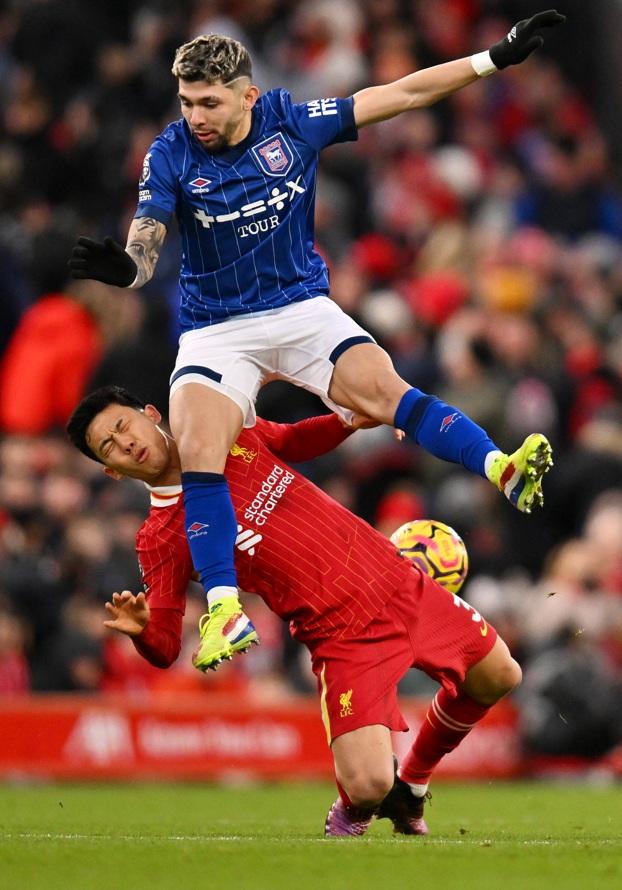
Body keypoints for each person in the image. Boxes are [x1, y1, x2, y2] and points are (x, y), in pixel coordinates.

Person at [68, 13, 563, 668]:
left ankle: (502, 468)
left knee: (386, 392)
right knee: (197, 445)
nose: (195, 116)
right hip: (218, 329)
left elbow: (403, 94)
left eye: (208, 102)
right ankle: (223, 611)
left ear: (247, 96)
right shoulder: (171, 153)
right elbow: (148, 233)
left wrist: (491, 59)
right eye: (186, 102)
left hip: (299, 307)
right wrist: (131, 270)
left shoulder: (292, 123)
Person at [66, 385, 522, 837]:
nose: (126, 443)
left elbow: (292, 439)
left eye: (124, 425)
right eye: (109, 446)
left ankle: (412, 785)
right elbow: (166, 647)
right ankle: (353, 811)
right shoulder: (159, 537)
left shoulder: (225, 431)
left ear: (150, 413)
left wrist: (346, 422)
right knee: (368, 785)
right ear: (112, 471)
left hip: (395, 579)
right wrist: (143, 630)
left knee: (500, 675)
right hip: (340, 632)